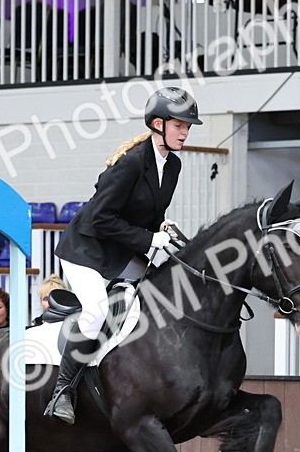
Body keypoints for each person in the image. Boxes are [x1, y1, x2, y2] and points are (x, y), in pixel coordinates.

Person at [44, 86, 202, 424]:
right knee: (97, 311)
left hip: (119, 251)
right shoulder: (129, 163)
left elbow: (146, 213)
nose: (185, 132)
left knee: (157, 293)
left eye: (188, 127)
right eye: (179, 126)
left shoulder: (171, 166)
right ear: (157, 124)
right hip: (86, 251)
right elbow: (102, 218)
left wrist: (161, 228)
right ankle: (63, 391)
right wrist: (148, 239)